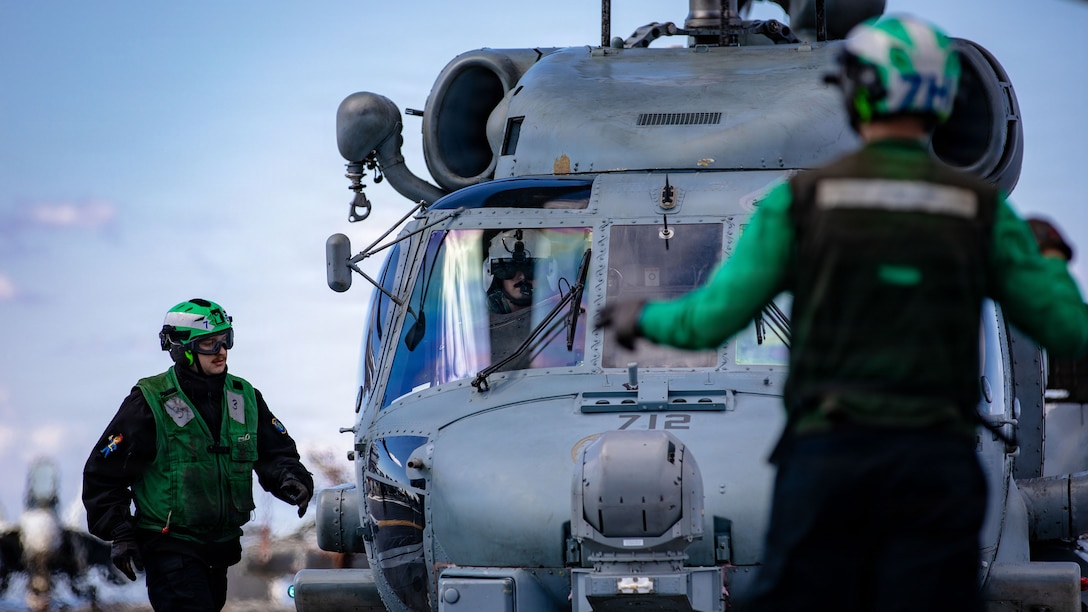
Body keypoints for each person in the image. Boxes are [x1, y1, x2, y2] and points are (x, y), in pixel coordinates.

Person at [597, 14, 1088, 612]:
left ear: (857, 92)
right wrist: (1052, 257)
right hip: (935, 467)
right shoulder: (980, 210)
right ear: (941, 98)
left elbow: (706, 322)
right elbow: (1065, 328)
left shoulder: (802, 202)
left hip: (832, 462)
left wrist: (638, 319)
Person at [82, 298, 314, 611]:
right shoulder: (149, 402)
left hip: (220, 548)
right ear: (183, 348)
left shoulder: (244, 397)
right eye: (209, 344)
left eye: (226, 340)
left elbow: (276, 452)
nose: (221, 351)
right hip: (169, 546)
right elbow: (103, 473)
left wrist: (291, 478)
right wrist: (121, 532)